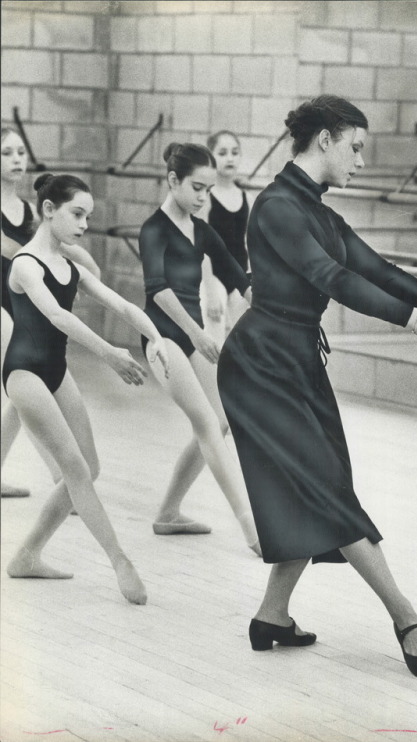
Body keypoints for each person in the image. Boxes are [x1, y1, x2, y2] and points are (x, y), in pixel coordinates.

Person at [217, 95, 417, 678]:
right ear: (325, 141)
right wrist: (411, 321)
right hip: (259, 366)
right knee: (325, 490)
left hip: (298, 362)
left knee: (323, 485)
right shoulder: (278, 207)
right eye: (355, 148)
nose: (360, 160)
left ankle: (272, 616)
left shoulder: (321, 213)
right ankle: (405, 615)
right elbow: (329, 278)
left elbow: (375, 269)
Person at [4, 172, 170, 605]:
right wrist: (108, 353)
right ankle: (119, 560)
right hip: (24, 373)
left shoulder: (72, 267)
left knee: (89, 469)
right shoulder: (24, 263)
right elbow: (58, 318)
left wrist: (155, 337)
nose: (83, 224)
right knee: (75, 469)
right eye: (76, 214)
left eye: (88, 217)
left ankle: (27, 555)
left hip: (56, 372)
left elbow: (122, 303)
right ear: (48, 210)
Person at [138, 142, 260, 555]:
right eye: (196, 188)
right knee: (208, 423)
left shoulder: (202, 230)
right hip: (161, 336)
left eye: (208, 190)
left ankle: (169, 512)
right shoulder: (153, 229)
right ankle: (250, 526)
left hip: (188, 336)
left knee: (222, 419)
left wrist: (264, 297)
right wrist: (195, 333)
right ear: (173, 180)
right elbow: (157, 291)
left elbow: (235, 274)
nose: (204, 197)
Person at [1, 126, 101, 498]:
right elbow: (19, 251)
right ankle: (63, 475)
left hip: (19, 304)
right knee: (26, 383)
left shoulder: (29, 209)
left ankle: (59, 473)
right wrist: (72, 260)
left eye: (20, 153)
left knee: (22, 392)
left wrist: (84, 261)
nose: (16, 160)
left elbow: (47, 242)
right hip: (2, 305)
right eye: (7, 153)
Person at [200, 130, 250, 346]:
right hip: (213, 275)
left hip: (239, 274)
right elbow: (199, 244)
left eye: (234, 152)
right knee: (216, 341)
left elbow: (249, 243)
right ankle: (210, 379)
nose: (230, 158)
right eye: (222, 153)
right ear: (211, 158)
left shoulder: (245, 196)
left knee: (242, 343)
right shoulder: (205, 196)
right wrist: (210, 289)